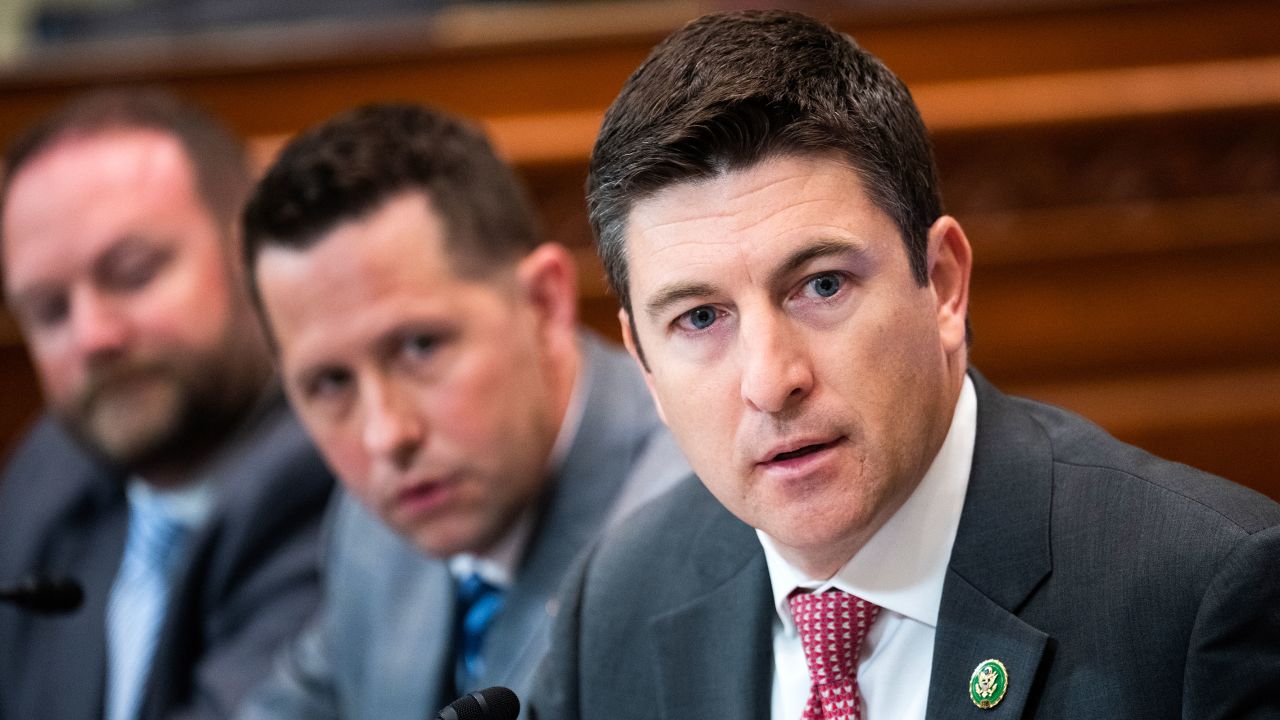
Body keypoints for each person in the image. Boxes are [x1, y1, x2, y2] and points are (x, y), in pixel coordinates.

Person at [531, 10, 1280, 720]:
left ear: (945, 284)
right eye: (700, 319)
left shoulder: (1202, 596)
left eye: (822, 285)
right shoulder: (617, 603)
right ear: (644, 365)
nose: (771, 380)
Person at [234, 102, 689, 719]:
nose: (386, 434)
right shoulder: (374, 530)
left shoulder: (691, 519)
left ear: (545, 301)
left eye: (420, 347)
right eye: (330, 381)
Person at [0, 88, 334, 720]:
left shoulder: (334, 473)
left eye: (132, 272)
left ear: (253, 250)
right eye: (49, 311)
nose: (94, 337)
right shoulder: (51, 469)